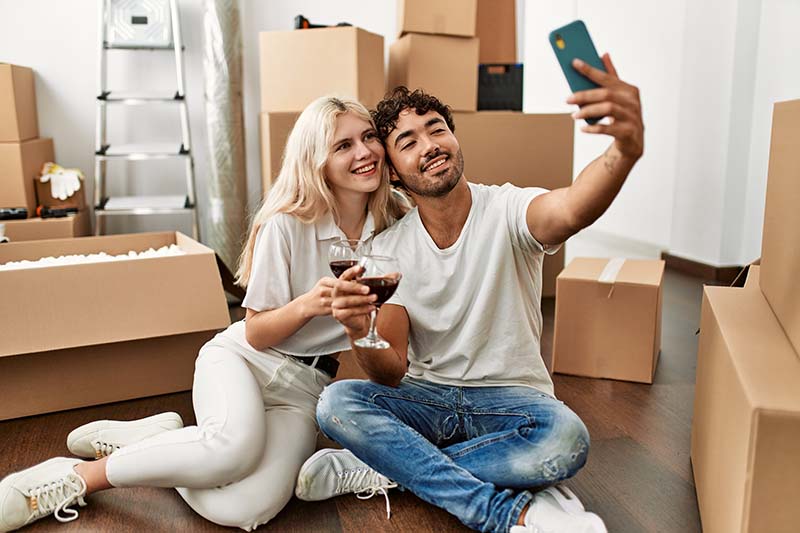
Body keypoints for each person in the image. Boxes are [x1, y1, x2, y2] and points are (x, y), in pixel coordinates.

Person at [0, 95, 409, 532]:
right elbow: (255, 332)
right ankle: (73, 478)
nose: (364, 152)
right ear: (315, 160)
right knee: (230, 452)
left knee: (246, 509)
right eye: (342, 145)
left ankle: (161, 441)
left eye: (368, 137)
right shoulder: (286, 223)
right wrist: (308, 304)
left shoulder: (396, 219)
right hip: (245, 361)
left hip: (306, 388)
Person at [295, 55, 644, 533]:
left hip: (513, 403)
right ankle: (502, 511)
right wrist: (361, 331)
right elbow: (390, 370)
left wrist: (623, 150)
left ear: (455, 139)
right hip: (426, 399)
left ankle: (393, 468)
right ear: (393, 172)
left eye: (437, 129)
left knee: (565, 439)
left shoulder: (508, 209)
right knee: (337, 402)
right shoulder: (386, 250)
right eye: (408, 141)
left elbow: (570, 208)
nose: (431, 145)